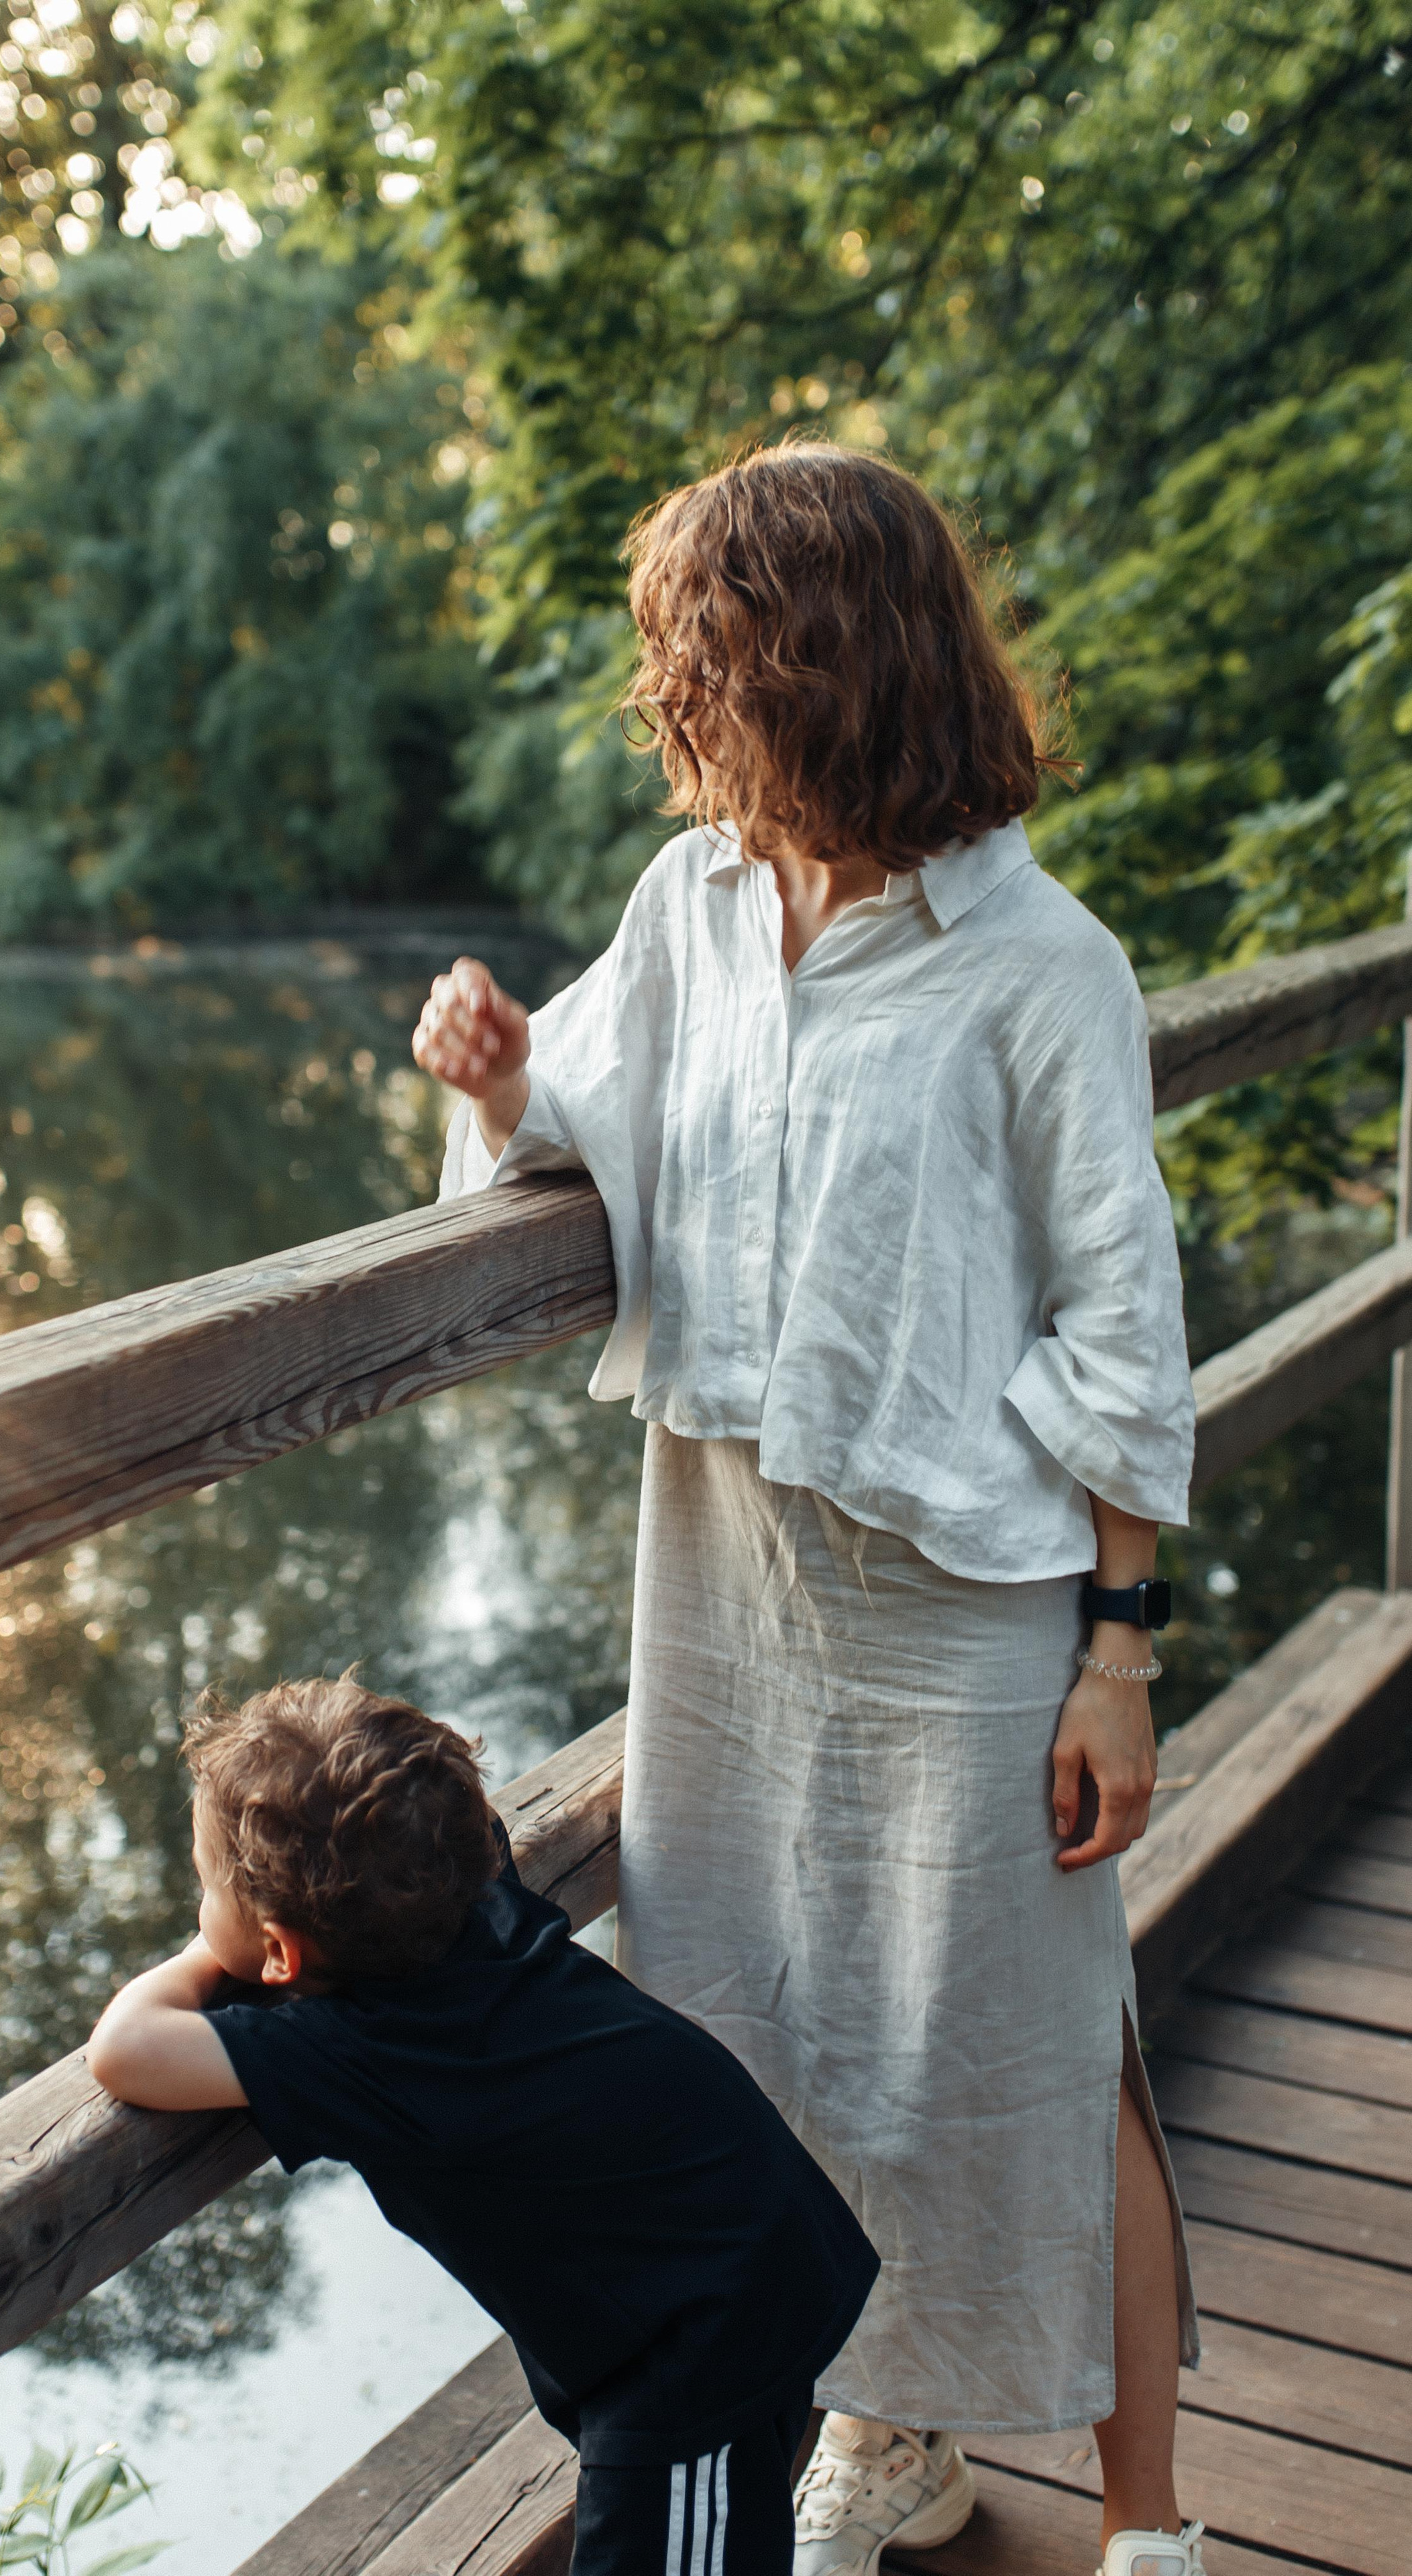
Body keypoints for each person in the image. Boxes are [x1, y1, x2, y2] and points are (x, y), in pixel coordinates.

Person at [415, 443, 1203, 2576]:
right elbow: (569, 1113)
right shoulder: (689, 912)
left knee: (1039, 2053)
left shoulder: (1044, 964)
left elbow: (1129, 1338)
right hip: (728, 1579)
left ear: (833, 669)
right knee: (770, 2039)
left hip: (967, 1607)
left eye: (716, 664)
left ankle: (1146, 2523)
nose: (682, 706)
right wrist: (491, 1074)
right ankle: (893, 2438)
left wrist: (1117, 1656)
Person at [87, 1669, 879, 2576]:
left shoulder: (365, 2053)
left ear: (279, 1951)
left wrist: (205, 1952)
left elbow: (128, 2048)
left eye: (205, 1889)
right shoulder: (468, 1898)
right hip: (733, 2251)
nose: (200, 1908)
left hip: (700, 2346)